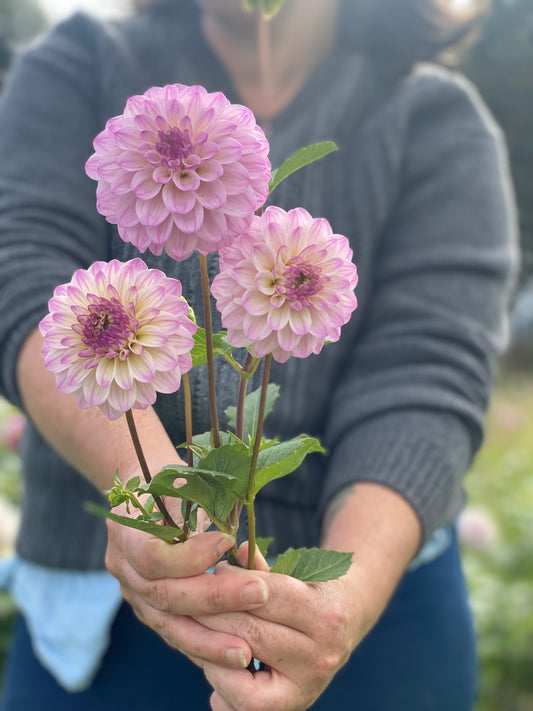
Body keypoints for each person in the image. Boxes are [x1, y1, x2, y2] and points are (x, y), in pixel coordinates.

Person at [0, 0, 518, 709]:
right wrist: (155, 492)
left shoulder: (433, 117)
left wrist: (343, 600)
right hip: (107, 612)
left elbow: (428, 374)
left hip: (371, 606)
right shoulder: (81, 61)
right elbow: (25, 282)